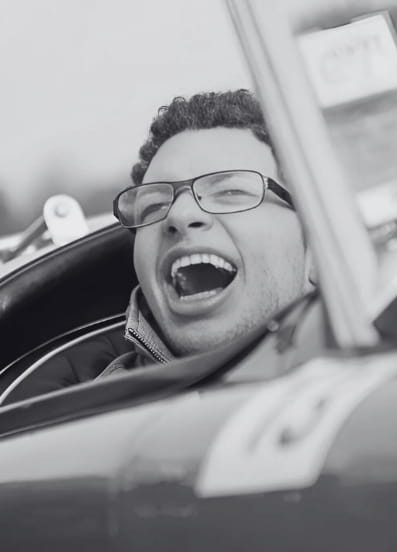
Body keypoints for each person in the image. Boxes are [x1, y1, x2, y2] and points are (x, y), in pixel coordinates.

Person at [100, 89, 316, 376]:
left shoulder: (384, 381)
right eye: (154, 205)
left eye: (230, 190)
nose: (179, 214)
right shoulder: (85, 418)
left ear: (318, 246)